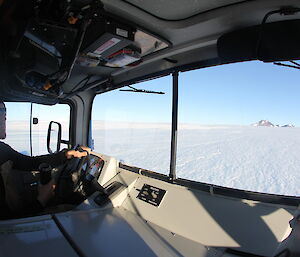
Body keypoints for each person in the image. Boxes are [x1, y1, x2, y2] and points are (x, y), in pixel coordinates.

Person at [0, 102, 90, 218]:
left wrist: (66, 155)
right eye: (2, 111)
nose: (5, 117)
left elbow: (30, 163)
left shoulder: (2, 149)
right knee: (74, 214)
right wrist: (41, 200)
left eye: (5, 111)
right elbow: (6, 223)